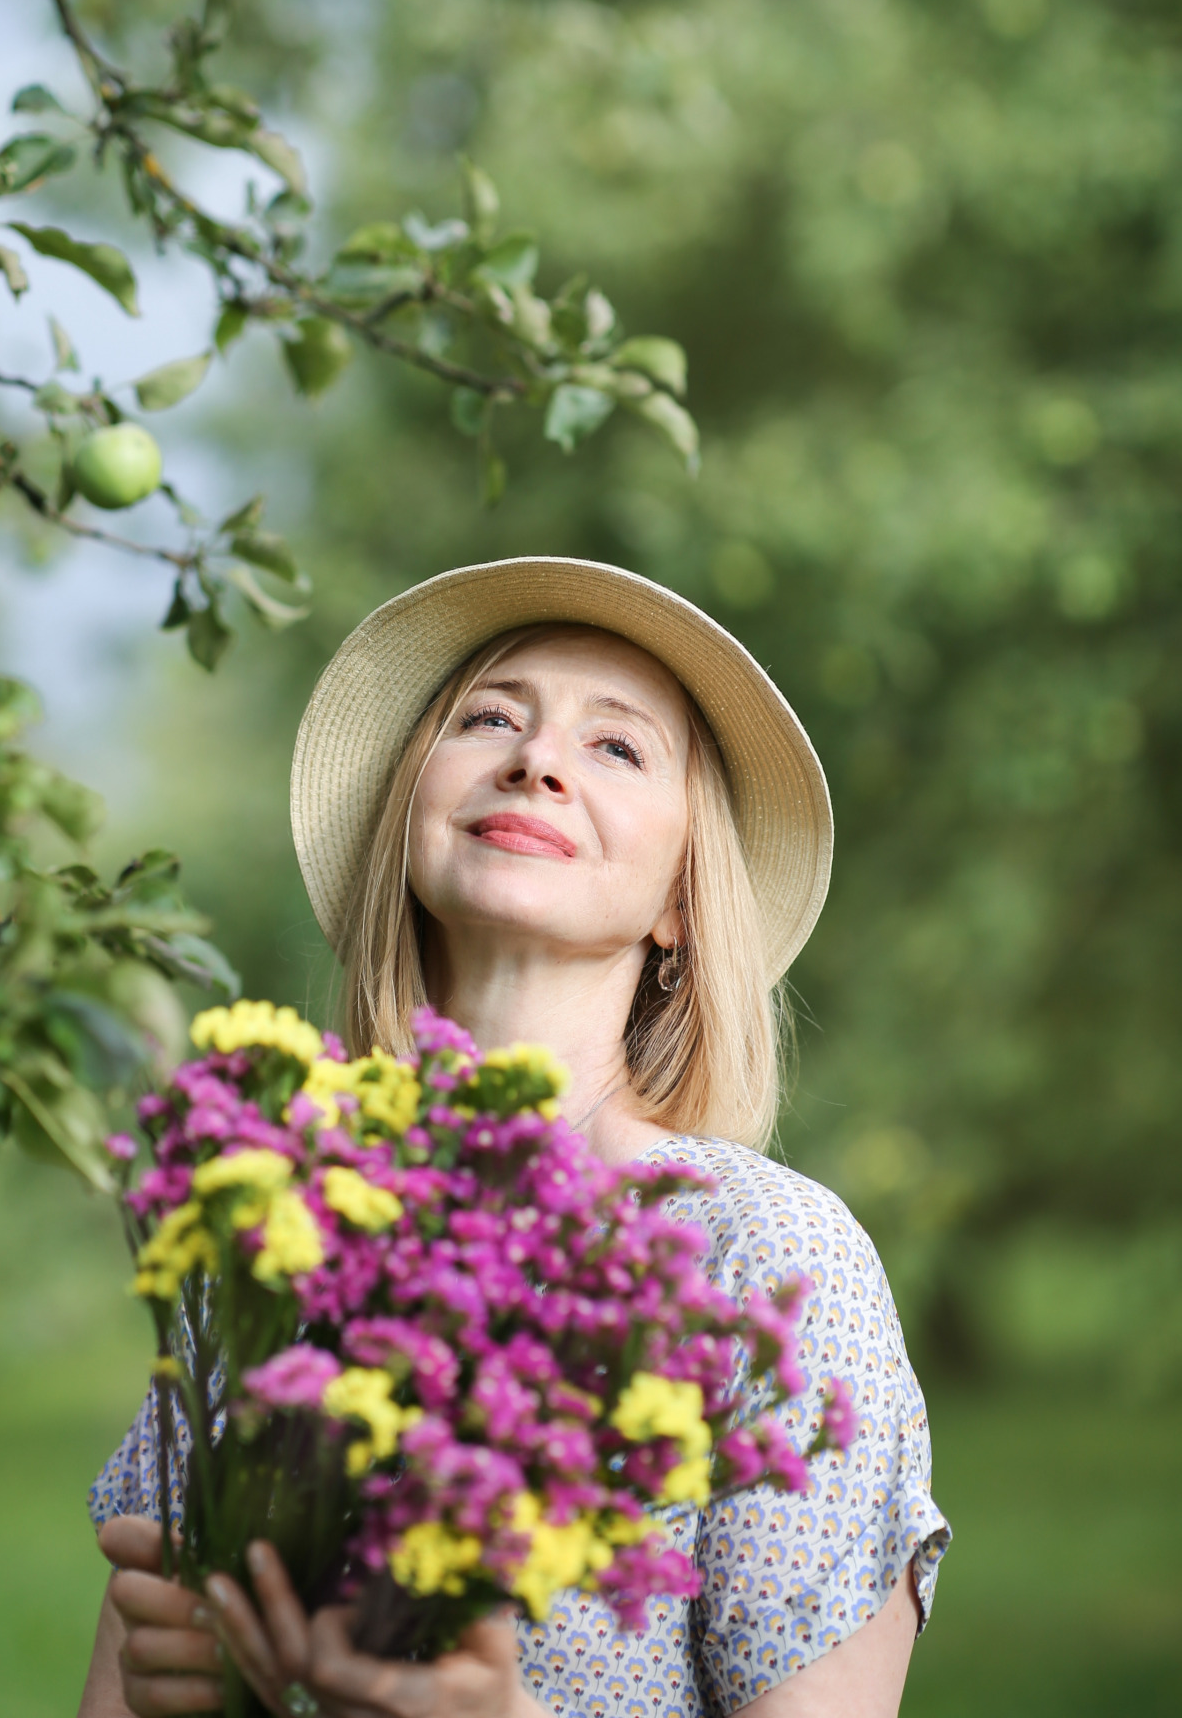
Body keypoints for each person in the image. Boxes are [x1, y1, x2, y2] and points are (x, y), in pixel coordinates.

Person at [78, 557, 950, 1718]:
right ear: (409, 819)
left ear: (679, 903)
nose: (534, 760)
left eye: (616, 747)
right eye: (489, 717)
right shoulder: (272, 1222)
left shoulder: (763, 1256)